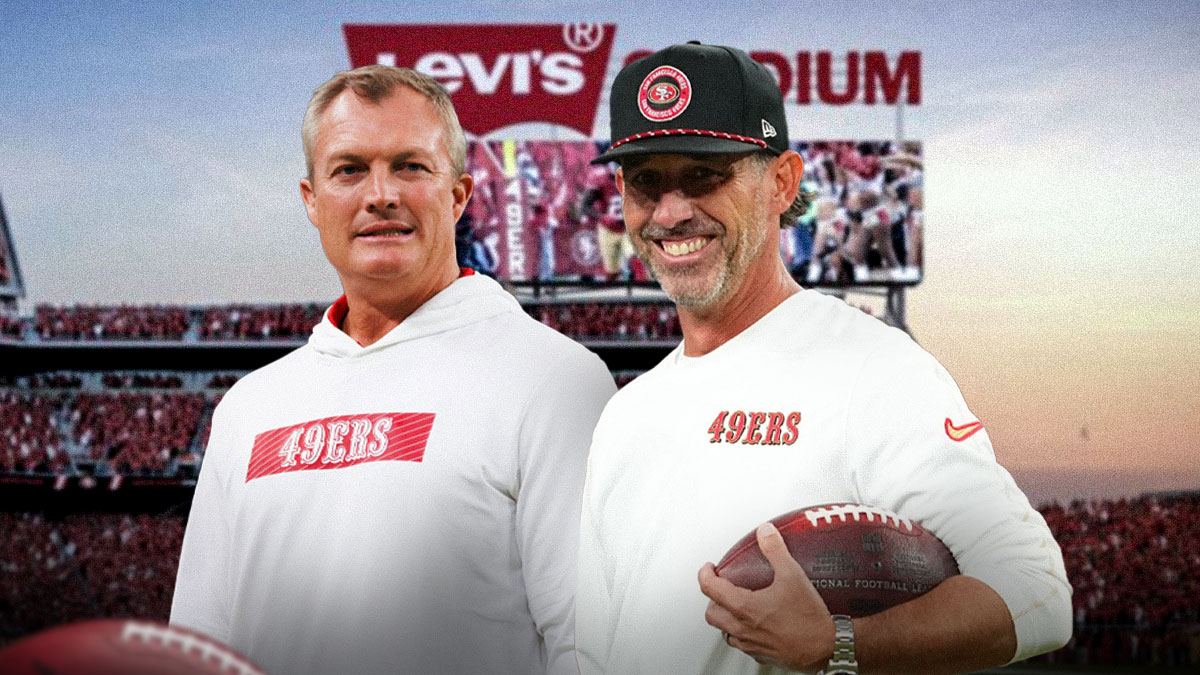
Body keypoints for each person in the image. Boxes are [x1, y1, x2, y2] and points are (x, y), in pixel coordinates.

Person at [575, 42, 1071, 675]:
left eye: (705, 175)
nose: (671, 212)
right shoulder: (625, 415)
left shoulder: (871, 370)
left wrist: (841, 645)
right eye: (647, 182)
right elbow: (590, 653)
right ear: (621, 192)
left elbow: (1037, 593)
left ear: (782, 182)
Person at [170, 65, 615, 675]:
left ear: (458, 196)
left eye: (410, 165)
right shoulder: (250, 406)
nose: (381, 193)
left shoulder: (555, 380)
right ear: (312, 200)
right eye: (349, 169)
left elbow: (590, 648)